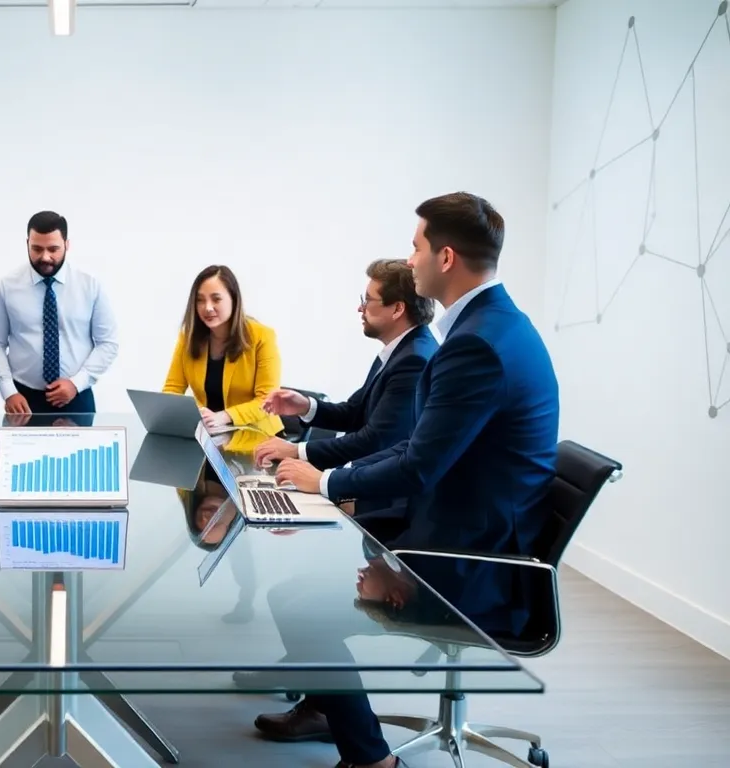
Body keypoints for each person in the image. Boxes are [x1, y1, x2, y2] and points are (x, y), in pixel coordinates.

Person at [264, 192, 560, 768]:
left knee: (295, 602)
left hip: (473, 563)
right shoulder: (492, 326)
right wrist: (329, 480)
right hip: (470, 531)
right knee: (307, 579)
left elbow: (418, 465)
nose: (412, 257)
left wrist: (326, 487)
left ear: (445, 258)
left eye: (416, 245)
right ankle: (332, 708)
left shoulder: (475, 343)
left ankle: (372, 758)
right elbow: (417, 447)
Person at [253, 259, 438, 541]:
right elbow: (356, 411)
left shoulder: (414, 358)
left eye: (368, 300)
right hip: (363, 489)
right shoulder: (400, 350)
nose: (360, 308)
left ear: (398, 308)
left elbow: (375, 440)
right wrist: (305, 406)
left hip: (384, 507)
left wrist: (297, 452)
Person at [0, 210, 119, 423]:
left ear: (67, 244)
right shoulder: (6, 287)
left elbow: (108, 343)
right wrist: (8, 391)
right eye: (36, 248)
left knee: (79, 458)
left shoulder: (90, 285)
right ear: (27, 243)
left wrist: (76, 383)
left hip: (77, 397)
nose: (45, 257)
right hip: (23, 399)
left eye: (53, 249)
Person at [162, 265, 282, 435]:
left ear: (233, 299)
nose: (207, 307)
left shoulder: (262, 336)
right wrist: (195, 414)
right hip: (210, 434)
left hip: (256, 435)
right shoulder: (188, 337)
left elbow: (266, 401)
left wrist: (223, 416)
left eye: (216, 299)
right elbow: (172, 390)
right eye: (200, 300)